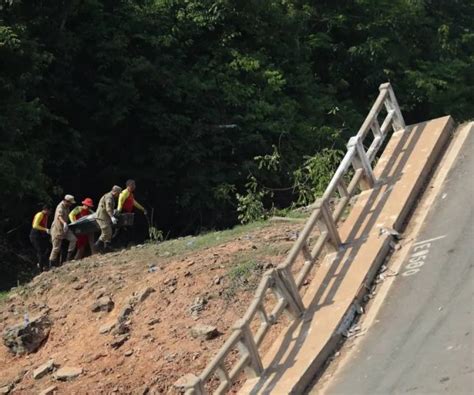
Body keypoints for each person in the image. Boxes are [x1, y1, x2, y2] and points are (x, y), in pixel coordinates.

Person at [48, 194, 77, 267]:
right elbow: (59, 216)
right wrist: (64, 223)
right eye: (70, 202)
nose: (71, 204)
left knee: (73, 239)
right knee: (56, 248)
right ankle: (51, 265)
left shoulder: (67, 207)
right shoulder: (60, 207)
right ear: (66, 201)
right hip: (57, 229)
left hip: (65, 229)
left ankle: (68, 258)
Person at [116, 179, 147, 246]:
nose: (135, 186)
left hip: (128, 214)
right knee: (122, 230)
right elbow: (120, 202)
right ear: (129, 185)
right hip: (123, 213)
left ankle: (126, 244)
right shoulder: (124, 193)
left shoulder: (130, 194)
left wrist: (143, 209)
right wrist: (118, 211)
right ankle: (118, 244)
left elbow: (134, 203)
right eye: (133, 184)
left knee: (127, 229)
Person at [95, 185, 122, 252]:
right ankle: (97, 246)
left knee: (109, 232)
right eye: (118, 193)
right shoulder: (109, 197)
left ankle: (107, 247)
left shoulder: (110, 197)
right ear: (115, 192)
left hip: (105, 216)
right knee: (106, 232)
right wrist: (112, 217)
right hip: (102, 217)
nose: (118, 195)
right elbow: (108, 208)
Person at [30, 205, 51, 271]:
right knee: (40, 251)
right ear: (46, 210)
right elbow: (35, 225)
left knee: (47, 248)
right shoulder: (40, 214)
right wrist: (45, 229)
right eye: (49, 211)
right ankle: (41, 269)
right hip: (35, 235)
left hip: (41, 234)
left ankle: (42, 264)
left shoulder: (45, 216)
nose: (50, 213)